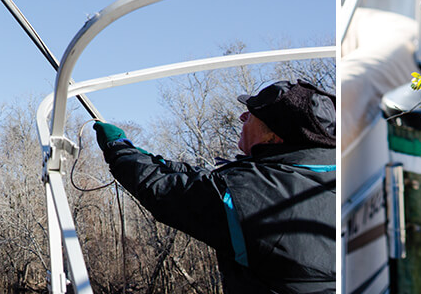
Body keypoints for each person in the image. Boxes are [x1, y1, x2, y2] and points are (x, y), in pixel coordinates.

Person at [93, 79, 336, 294]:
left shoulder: (252, 190)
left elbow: (165, 190)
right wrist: (160, 162)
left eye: (251, 114)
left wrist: (118, 148)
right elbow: (211, 182)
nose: (242, 117)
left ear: (275, 136)